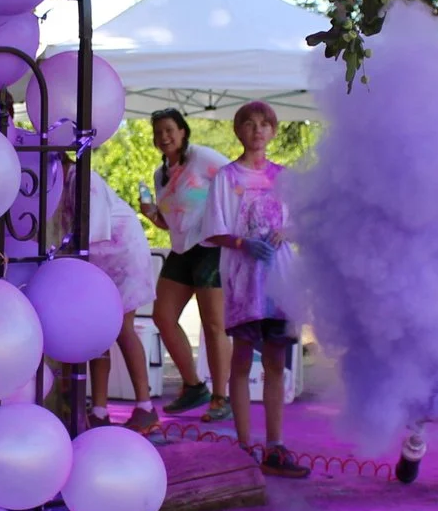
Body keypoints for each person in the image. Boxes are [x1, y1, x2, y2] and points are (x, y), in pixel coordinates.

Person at [203, 100, 310, 476]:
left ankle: (275, 445)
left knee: (276, 361)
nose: (257, 130)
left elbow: (301, 223)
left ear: (273, 130)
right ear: (239, 131)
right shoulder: (226, 177)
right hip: (243, 280)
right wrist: (240, 243)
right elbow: (213, 229)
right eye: (249, 124)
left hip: (278, 278)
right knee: (242, 357)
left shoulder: (285, 178)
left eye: (264, 124)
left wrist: (287, 232)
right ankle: (244, 444)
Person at [51, 160, 161, 434]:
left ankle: (145, 407)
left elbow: (90, 232)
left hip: (122, 256)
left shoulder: (83, 179)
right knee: (97, 333)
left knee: (123, 330)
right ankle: (99, 410)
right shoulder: (62, 185)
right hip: (98, 264)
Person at [141, 109, 233, 422]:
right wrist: (150, 213)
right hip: (182, 249)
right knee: (162, 316)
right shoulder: (159, 173)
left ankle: (221, 397)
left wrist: (235, 225)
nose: (163, 137)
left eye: (169, 130)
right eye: (157, 132)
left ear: (183, 131)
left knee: (213, 325)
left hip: (211, 247)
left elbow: (236, 180)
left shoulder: (203, 157)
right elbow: (170, 223)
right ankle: (194, 386)